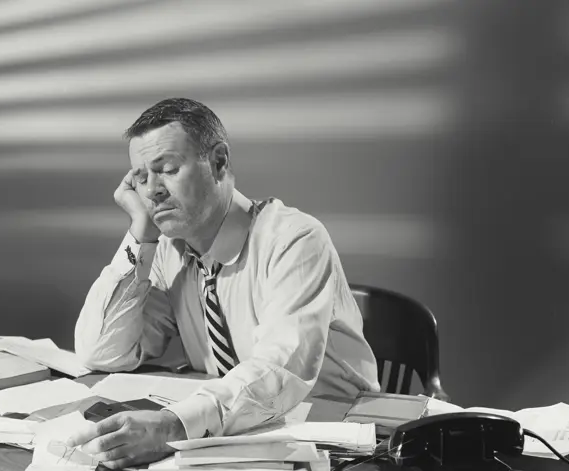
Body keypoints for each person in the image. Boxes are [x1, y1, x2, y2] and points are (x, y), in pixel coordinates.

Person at [68, 98, 380, 469]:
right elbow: (101, 353)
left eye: (166, 169)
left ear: (218, 162)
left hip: (331, 439)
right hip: (235, 439)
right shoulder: (169, 252)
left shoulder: (295, 239)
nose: (152, 191)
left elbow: (280, 368)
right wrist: (141, 234)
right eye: (139, 176)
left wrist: (172, 427)